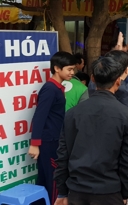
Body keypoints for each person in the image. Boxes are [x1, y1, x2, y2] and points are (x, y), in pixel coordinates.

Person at [54, 57, 128, 205]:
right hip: (110, 192)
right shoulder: (126, 116)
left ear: (92, 78)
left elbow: (63, 155)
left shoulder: (73, 113)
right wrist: (125, 192)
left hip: (77, 191)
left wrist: (62, 190)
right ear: (118, 80)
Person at [28, 51, 77, 205]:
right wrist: (35, 143)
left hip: (53, 139)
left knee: (45, 179)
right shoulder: (50, 89)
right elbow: (39, 116)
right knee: (54, 179)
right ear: (57, 68)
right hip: (49, 142)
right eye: (69, 69)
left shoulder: (56, 88)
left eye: (73, 69)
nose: (72, 73)